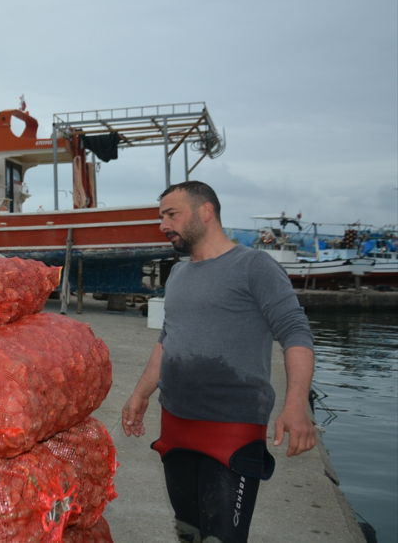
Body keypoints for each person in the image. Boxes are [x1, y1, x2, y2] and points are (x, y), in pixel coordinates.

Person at [121, 181, 316, 543]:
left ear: (205, 212)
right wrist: (141, 393)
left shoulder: (254, 266)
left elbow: (296, 333)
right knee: (188, 532)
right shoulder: (178, 274)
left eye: (171, 214)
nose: (163, 225)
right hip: (176, 422)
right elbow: (168, 338)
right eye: (161, 216)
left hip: (232, 427)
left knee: (221, 538)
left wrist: (296, 405)